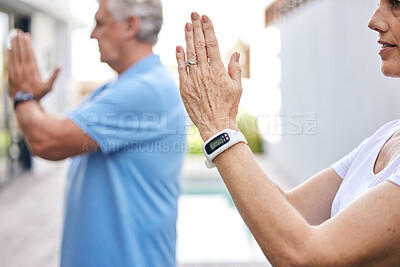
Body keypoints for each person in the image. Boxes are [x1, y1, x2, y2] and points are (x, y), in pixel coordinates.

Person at [175, 2, 400, 266]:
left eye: (395, 3)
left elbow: (304, 257)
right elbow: (290, 209)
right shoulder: (388, 135)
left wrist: (220, 130)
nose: (374, 20)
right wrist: (225, 125)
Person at [8, 0, 186, 266]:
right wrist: (31, 99)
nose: (93, 33)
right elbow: (60, 129)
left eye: (101, 23)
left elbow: (46, 140)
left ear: (130, 25)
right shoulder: (119, 88)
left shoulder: (145, 90)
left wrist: (22, 96)